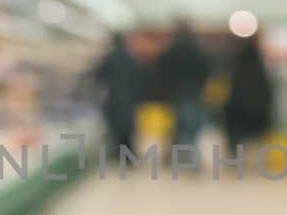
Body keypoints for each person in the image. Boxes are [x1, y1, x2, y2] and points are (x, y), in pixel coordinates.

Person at [155, 18, 210, 154]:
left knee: (177, 124)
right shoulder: (197, 47)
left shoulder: (171, 48)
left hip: (175, 92)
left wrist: (166, 87)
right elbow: (205, 69)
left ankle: (175, 155)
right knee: (192, 125)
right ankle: (191, 155)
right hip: (194, 92)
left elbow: (161, 69)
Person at [87, 32, 142, 157]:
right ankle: (129, 154)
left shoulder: (109, 58)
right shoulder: (131, 58)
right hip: (129, 98)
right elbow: (139, 77)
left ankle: (118, 154)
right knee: (129, 128)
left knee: (116, 128)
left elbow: (98, 77)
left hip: (113, 98)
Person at [223, 31, 274, 151]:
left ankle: (236, 159)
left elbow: (233, 90)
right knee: (255, 144)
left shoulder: (237, 65)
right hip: (257, 112)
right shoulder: (259, 67)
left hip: (238, 112)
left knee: (238, 141)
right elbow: (267, 91)